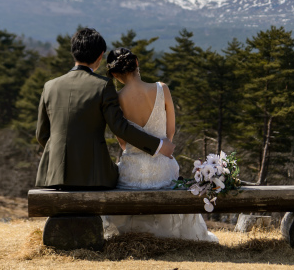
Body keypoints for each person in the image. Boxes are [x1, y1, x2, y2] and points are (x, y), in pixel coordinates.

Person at [101, 47, 218, 242]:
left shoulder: (117, 100)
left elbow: (123, 142)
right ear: (137, 63)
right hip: (163, 166)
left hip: (132, 171)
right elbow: (170, 133)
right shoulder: (162, 89)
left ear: (114, 74)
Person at [35, 28, 175, 189]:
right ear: (100, 56)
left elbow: (41, 134)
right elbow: (119, 127)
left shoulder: (49, 86)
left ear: (73, 51)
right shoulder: (102, 86)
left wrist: (61, 158)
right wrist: (158, 145)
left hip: (53, 174)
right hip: (94, 176)